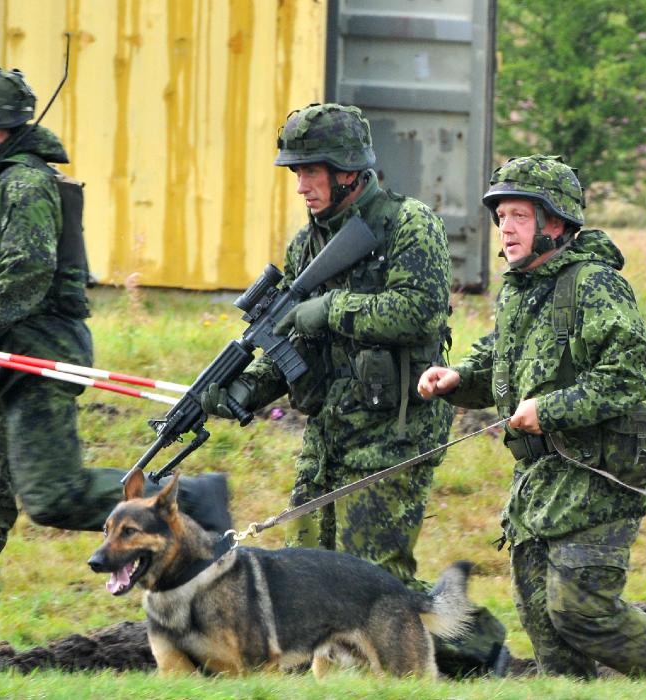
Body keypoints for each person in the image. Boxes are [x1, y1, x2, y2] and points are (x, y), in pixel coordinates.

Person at [201, 103, 509, 676]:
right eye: (294, 174)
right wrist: (244, 392)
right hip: (329, 433)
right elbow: (297, 348)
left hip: (396, 426)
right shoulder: (305, 247)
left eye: (309, 171)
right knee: (310, 583)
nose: (301, 186)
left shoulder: (408, 223)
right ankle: (429, 645)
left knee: (374, 578)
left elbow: (418, 311)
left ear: (347, 170)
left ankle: (481, 647)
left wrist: (330, 308)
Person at [0, 66, 231, 635]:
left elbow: (28, 269)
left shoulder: (24, 185)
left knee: (53, 496)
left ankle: (190, 498)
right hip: (9, 360)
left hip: (37, 360)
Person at [417, 153, 646, 678]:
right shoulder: (520, 291)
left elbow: (632, 371)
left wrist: (550, 409)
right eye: (501, 218)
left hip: (599, 473)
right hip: (540, 482)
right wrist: (458, 379)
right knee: (545, 626)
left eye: (520, 216)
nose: (506, 229)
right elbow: (502, 362)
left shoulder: (593, 284)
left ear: (555, 223)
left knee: (581, 610)